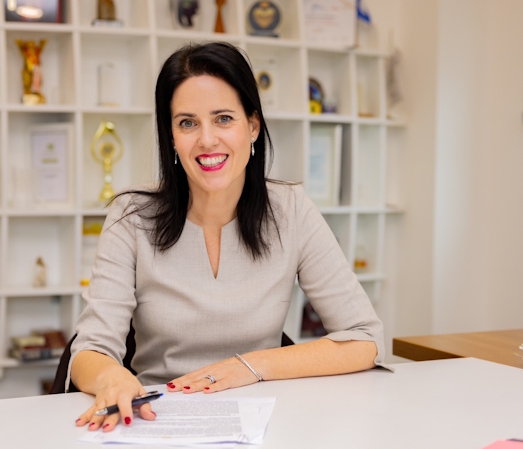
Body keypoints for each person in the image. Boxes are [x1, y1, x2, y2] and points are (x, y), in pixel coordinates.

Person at [69, 41, 384, 432]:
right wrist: (110, 376)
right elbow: (89, 350)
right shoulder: (131, 217)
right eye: (187, 123)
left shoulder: (291, 210)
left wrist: (251, 366)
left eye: (223, 119)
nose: (206, 139)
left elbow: (364, 339)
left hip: (263, 423)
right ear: (171, 136)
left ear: (252, 126)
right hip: (158, 421)